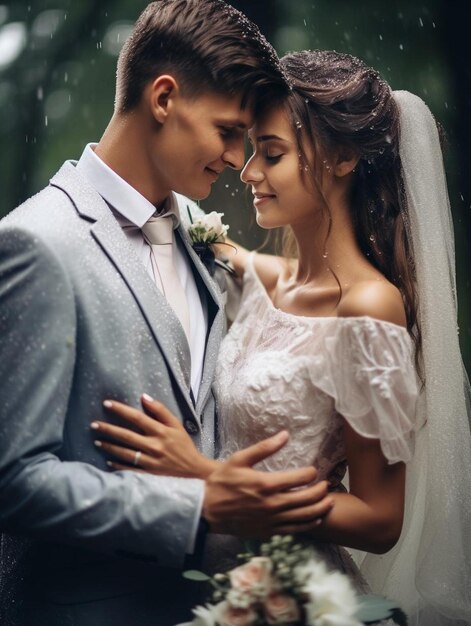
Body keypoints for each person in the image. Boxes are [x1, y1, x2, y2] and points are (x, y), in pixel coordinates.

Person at [95, 50, 471, 625]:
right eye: (249, 152)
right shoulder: (263, 278)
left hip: (292, 599)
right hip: (206, 583)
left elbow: (379, 520)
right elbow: (170, 221)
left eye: (271, 154)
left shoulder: (368, 307)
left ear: (343, 157)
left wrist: (210, 480)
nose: (247, 172)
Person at [0, 4, 336, 625]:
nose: (238, 159)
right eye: (227, 131)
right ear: (162, 98)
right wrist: (200, 503)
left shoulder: (198, 234)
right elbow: (15, 483)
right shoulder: (36, 243)